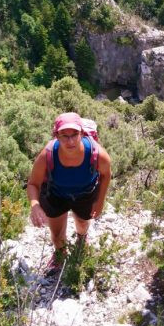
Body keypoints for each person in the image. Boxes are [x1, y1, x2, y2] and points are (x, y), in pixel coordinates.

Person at [27, 112, 112, 271]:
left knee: (82, 223)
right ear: (56, 135)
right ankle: (60, 254)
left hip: (85, 194)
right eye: (64, 135)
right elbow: (33, 184)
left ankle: (81, 239)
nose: (70, 140)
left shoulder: (98, 154)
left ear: (82, 133)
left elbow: (106, 175)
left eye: (75, 134)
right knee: (57, 234)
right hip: (55, 195)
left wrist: (99, 202)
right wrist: (35, 205)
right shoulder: (47, 155)